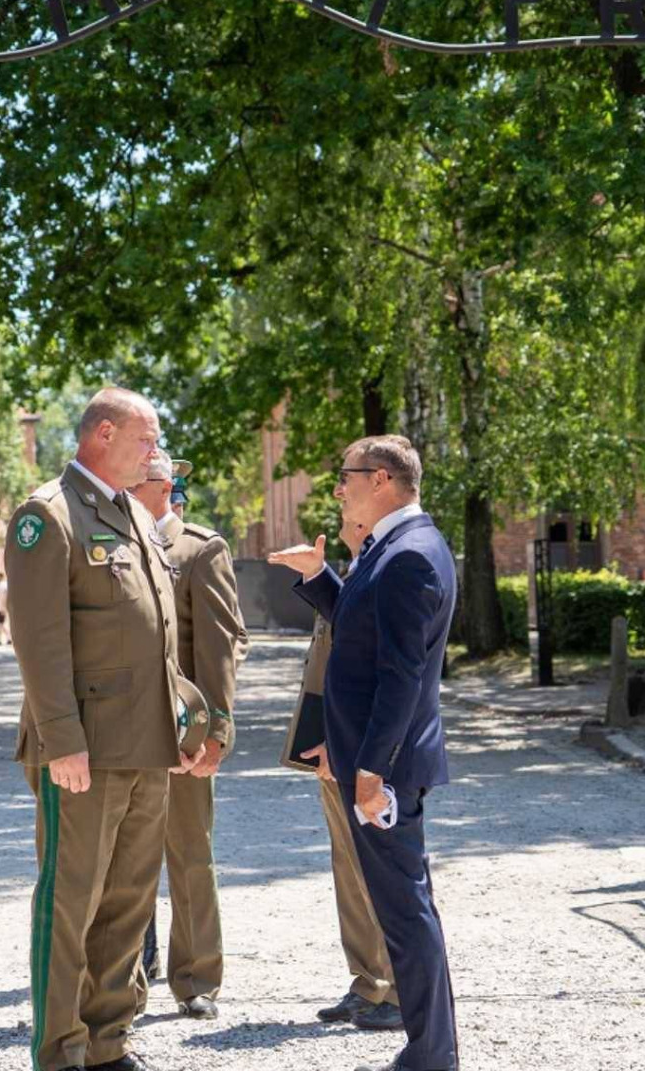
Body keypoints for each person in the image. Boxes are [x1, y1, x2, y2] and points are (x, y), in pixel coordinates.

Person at [6, 386, 204, 1071]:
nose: (155, 454)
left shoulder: (129, 514)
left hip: (145, 745)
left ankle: (108, 1043)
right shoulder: (49, 516)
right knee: (72, 901)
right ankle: (59, 1050)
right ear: (104, 434)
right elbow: (39, 640)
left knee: (128, 902)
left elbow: (157, 637)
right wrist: (61, 741)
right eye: (147, 440)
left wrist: (182, 721)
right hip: (84, 750)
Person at [270, 435, 459, 1071]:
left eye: (346, 475)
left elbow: (401, 677)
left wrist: (371, 770)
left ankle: (431, 1055)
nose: (339, 486)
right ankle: (432, 1048)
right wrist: (317, 577)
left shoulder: (408, 556)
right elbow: (360, 630)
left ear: (381, 479)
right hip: (381, 761)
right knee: (406, 910)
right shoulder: (397, 547)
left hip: (391, 770)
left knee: (405, 916)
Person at [130, 451, 246, 1021]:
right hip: (121, 734)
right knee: (123, 859)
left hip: (182, 733)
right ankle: (125, 976)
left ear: (164, 486)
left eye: (138, 475)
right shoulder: (114, 545)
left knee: (189, 856)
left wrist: (216, 730)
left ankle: (197, 976)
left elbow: (223, 647)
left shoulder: (199, 549)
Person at [290, 518, 402, 1032]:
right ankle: (369, 983)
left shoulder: (392, 566)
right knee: (349, 869)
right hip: (336, 746)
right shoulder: (361, 567)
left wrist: (349, 746)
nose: (337, 496)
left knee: (377, 870)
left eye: (347, 484)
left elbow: (384, 673)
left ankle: (399, 991)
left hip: (362, 752)